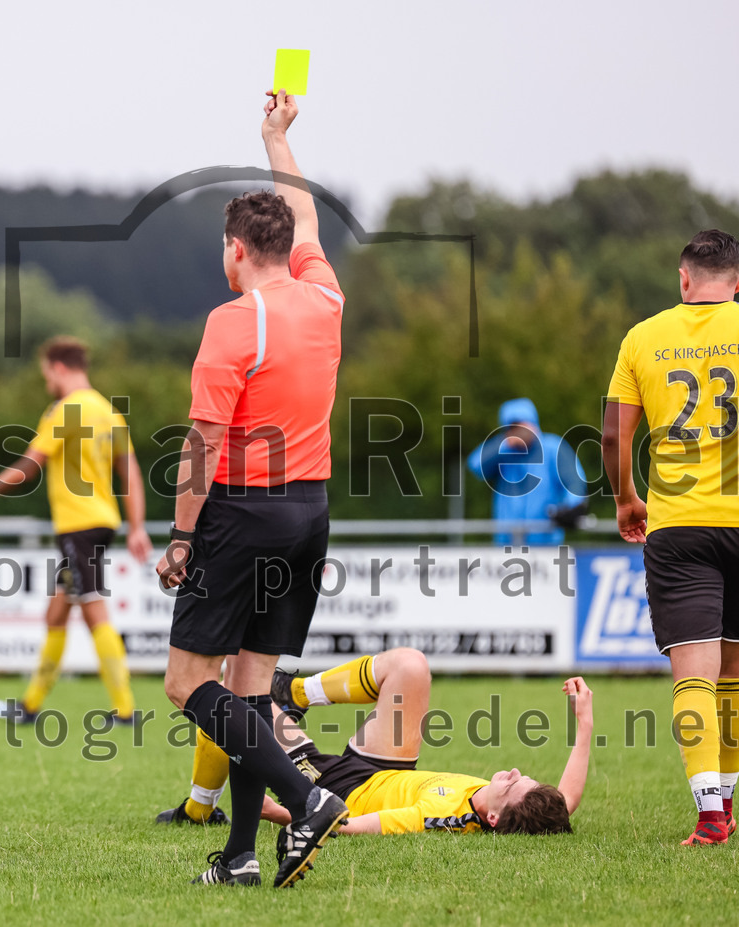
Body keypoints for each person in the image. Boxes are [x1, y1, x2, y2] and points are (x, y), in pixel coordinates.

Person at [156, 89, 346, 890]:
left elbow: (202, 444)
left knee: (187, 682)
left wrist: (180, 536)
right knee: (249, 689)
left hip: (244, 512)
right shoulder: (325, 296)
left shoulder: (236, 320)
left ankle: (306, 798)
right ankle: (237, 856)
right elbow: (306, 215)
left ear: (236, 249)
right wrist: (276, 139)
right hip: (310, 511)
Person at [602, 228, 739, 846]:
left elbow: (613, 436)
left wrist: (627, 500)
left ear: (684, 279)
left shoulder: (643, 337)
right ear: (736, 283)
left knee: (694, 676)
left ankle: (711, 816)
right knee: (732, 676)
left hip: (680, 524)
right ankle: (726, 803)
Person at [0, 336, 151, 726]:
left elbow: (31, 465)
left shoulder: (65, 409)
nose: (47, 382)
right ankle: (29, 706)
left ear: (59, 368)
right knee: (57, 613)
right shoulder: (108, 411)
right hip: (101, 522)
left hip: (79, 526)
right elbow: (130, 471)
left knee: (95, 612)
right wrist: (137, 527)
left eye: (47, 373)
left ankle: (126, 710)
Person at [258, 649, 590, 835]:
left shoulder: (444, 816)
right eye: (524, 777)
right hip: (387, 767)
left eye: (512, 785)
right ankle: (296, 693)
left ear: (493, 818)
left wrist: (280, 814)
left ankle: (206, 802)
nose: (515, 772)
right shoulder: (525, 808)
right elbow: (566, 800)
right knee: (411, 666)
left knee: (245, 695)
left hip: (340, 788)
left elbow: (349, 826)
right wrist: (584, 722)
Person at [467, 397, 588, 545]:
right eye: (513, 427)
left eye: (523, 425)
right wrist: (504, 443)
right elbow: (475, 465)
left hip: (546, 542)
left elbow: (574, 482)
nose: (520, 432)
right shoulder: (504, 451)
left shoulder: (552, 447)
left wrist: (572, 506)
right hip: (506, 542)